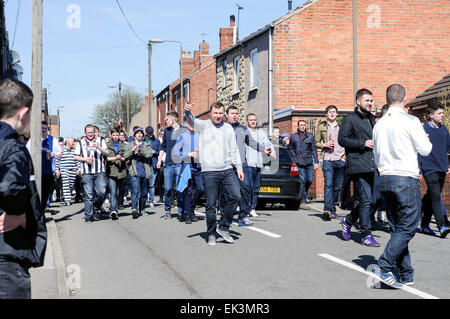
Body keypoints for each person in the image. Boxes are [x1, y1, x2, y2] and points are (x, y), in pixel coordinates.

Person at [373, 84, 432, 288]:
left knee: (398, 228)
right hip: (405, 178)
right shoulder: (411, 120)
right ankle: (385, 264)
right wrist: (425, 139)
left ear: (387, 99)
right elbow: (425, 150)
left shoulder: (378, 125)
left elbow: (376, 154)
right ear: (404, 98)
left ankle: (406, 273)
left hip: (385, 178)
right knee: (407, 228)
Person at [0, 79, 47, 299]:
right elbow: (9, 187)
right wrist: (17, 213)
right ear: (23, 112)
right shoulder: (13, 147)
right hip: (7, 252)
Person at [185, 102, 243, 246]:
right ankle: (211, 232)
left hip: (227, 169)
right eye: (215, 113)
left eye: (220, 113)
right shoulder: (203, 126)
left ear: (224, 114)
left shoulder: (228, 128)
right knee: (211, 204)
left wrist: (239, 167)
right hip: (209, 171)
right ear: (210, 113)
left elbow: (234, 149)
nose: (218, 116)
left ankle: (223, 227)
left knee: (236, 196)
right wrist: (187, 112)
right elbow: (192, 120)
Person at [338, 88, 380, 247]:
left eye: (371, 100)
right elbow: (342, 139)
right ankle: (366, 235)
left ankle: (348, 220)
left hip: (372, 164)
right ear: (358, 101)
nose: (370, 103)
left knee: (371, 201)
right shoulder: (350, 119)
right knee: (366, 200)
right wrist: (363, 143)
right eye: (367, 100)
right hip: (358, 165)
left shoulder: (372, 119)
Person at [222, 106, 271, 225]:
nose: (235, 115)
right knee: (225, 191)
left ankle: (243, 215)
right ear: (226, 115)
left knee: (245, 188)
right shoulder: (222, 128)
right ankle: (224, 215)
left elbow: (252, 142)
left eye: (236, 113)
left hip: (241, 164)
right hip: (226, 165)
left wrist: (263, 149)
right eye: (232, 113)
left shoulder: (243, 128)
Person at [418, 102, 450, 238]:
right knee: (436, 196)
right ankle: (442, 226)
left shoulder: (444, 130)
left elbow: (448, 149)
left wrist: (448, 164)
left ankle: (424, 225)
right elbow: (418, 151)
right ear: (431, 115)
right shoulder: (423, 130)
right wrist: (418, 169)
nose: (442, 115)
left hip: (442, 167)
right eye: (439, 113)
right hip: (429, 167)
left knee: (432, 195)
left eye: (443, 113)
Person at [315, 105, 346, 220]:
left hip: (340, 159)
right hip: (328, 159)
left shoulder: (342, 127)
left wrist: (344, 157)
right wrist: (325, 145)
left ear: (337, 114)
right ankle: (327, 209)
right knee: (328, 184)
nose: (332, 114)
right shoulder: (321, 127)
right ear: (326, 114)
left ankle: (333, 210)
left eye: (334, 112)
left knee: (337, 187)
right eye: (330, 112)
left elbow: (347, 142)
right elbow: (316, 142)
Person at [74, 124, 109, 222]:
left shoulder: (100, 140)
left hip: (99, 172)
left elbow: (107, 153)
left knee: (102, 192)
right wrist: (85, 159)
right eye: (88, 132)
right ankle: (88, 215)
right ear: (85, 133)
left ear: (94, 132)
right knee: (88, 195)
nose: (90, 134)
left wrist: (99, 147)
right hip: (87, 173)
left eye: (91, 132)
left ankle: (96, 208)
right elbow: (75, 156)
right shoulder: (81, 142)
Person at [244, 113, 275, 219]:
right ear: (247, 121)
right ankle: (246, 207)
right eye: (251, 120)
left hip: (258, 163)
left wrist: (272, 152)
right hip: (248, 163)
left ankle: (252, 208)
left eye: (254, 120)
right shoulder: (244, 132)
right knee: (247, 187)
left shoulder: (261, 133)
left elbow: (268, 143)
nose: (253, 121)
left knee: (256, 188)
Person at [173, 119, 202, 224]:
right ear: (186, 124)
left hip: (199, 166)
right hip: (187, 166)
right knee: (188, 191)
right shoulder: (182, 136)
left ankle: (192, 209)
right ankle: (187, 214)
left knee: (201, 189)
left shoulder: (200, 135)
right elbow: (175, 153)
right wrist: (188, 154)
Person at [157, 112, 184, 220]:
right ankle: (167, 210)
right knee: (167, 189)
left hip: (179, 165)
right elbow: (163, 147)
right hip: (168, 164)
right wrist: (159, 160)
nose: (165, 121)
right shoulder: (167, 132)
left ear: (172, 120)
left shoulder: (183, 130)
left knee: (179, 189)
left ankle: (181, 212)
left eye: (166, 120)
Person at [124, 127, 153, 218]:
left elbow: (149, 155)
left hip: (145, 172)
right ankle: (134, 208)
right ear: (134, 135)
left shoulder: (147, 145)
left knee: (144, 192)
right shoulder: (129, 144)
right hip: (134, 172)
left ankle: (142, 209)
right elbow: (125, 156)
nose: (139, 134)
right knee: (135, 191)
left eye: (141, 133)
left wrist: (140, 150)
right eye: (137, 133)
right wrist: (133, 150)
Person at [288, 120, 319, 204]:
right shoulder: (294, 137)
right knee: (303, 180)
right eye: (301, 125)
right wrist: (295, 158)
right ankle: (303, 198)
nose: (302, 127)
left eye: (303, 125)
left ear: (305, 126)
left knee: (309, 180)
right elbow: (290, 148)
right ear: (298, 126)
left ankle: (303, 195)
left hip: (308, 162)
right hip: (299, 162)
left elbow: (314, 149)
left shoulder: (310, 136)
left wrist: (316, 161)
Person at [105, 127, 127, 220]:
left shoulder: (124, 145)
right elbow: (105, 158)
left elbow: (127, 157)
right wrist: (114, 158)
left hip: (121, 171)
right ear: (110, 135)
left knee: (118, 192)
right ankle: (114, 211)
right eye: (113, 135)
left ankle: (114, 208)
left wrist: (121, 158)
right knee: (113, 192)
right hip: (111, 171)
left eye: (117, 135)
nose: (115, 137)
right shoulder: (107, 145)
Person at [40, 120, 61, 211]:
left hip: (49, 170)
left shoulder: (53, 140)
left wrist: (53, 155)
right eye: (41, 128)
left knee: (46, 191)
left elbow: (60, 154)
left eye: (45, 128)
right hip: (36, 170)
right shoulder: (33, 139)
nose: (43, 130)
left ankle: (45, 207)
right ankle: (40, 209)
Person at [54, 138, 81, 206]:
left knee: (71, 186)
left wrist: (79, 169)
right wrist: (57, 170)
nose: (74, 143)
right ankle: (67, 200)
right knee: (66, 184)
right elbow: (57, 160)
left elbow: (77, 160)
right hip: (64, 170)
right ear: (68, 142)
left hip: (73, 170)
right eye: (72, 141)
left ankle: (67, 196)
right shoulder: (61, 150)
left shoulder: (75, 151)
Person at [144, 126, 161, 208]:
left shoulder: (157, 141)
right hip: (144, 164)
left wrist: (155, 152)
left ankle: (151, 200)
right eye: (149, 133)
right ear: (146, 133)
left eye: (151, 132)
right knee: (144, 183)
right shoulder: (143, 140)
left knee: (152, 184)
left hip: (153, 164)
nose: (151, 134)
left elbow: (161, 151)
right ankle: (143, 199)